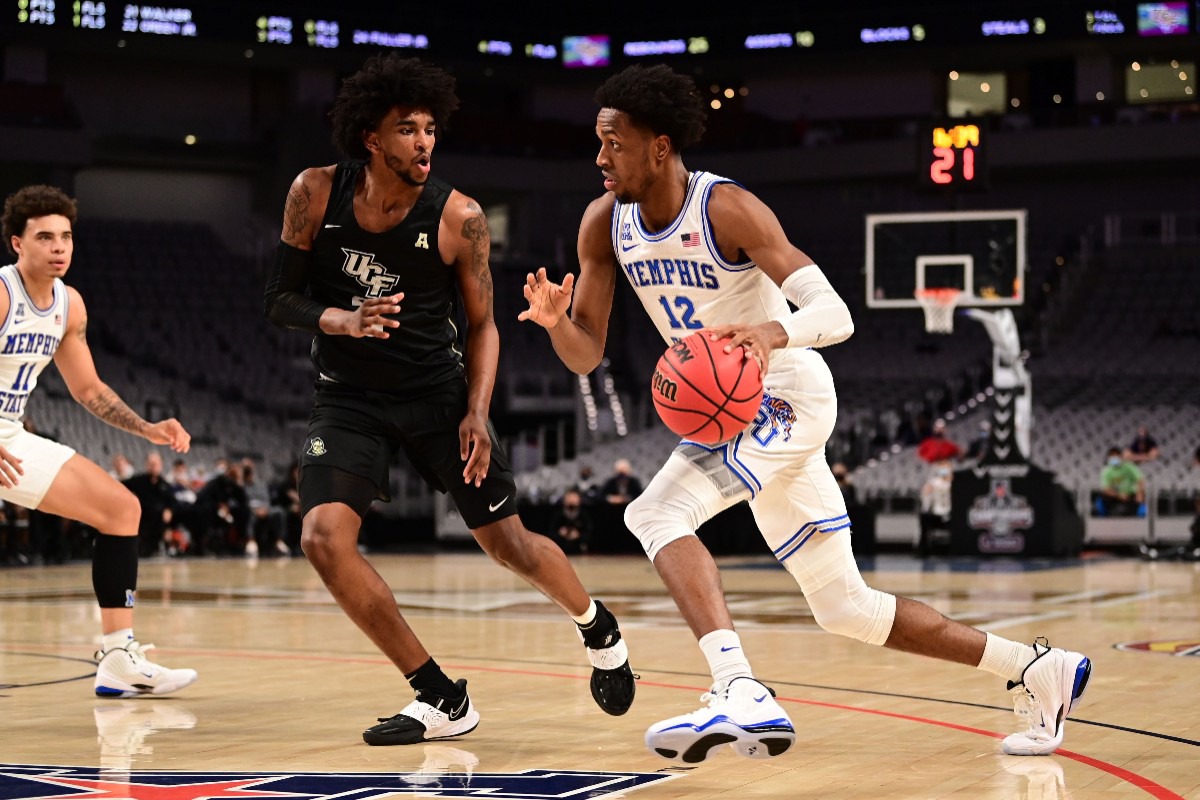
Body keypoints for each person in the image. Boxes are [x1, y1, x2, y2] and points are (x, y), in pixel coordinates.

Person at [518, 64, 1090, 763]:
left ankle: (739, 688)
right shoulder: (603, 224)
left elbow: (835, 313)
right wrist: (555, 323)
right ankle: (1036, 667)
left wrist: (771, 332)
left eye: (614, 142)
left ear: (659, 147)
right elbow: (585, 356)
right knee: (844, 608)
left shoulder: (726, 209)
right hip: (733, 413)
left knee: (654, 513)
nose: (600, 157)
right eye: (599, 142)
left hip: (785, 393)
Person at [263, 54, 633, 746]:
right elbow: (278, 298)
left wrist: (477, 411)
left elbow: (486, 324)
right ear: (371, 137)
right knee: (320, 538)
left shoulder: (458, 217)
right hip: (348, 397)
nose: (425, 142)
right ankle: (439, 697)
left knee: (510, 545)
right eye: (407, 129)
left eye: (431, 128)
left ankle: (598, 627)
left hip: (437, 395)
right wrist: (342, 320)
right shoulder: (314, 194)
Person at [1, 184, 196, 696]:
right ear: (17, 244)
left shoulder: (70, 306)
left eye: (66, 236)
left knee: (120, 509)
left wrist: (149, 429)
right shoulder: (1, 295)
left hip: (10, 438)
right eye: (45, 237)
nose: (59, 246)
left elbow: (88, 390)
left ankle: (117, 658)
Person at [1097, 446, 1145, 517]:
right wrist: (1119, 495)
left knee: (1140, 507)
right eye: (1112, 456)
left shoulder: (1129, 467)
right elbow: (1106, 489)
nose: (1114, 458)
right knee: (1101, 501)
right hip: (1115, 497)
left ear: (1120, 456)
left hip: (1130, 496)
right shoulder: (1106, 471)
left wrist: (1140, 493)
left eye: (1116, 455)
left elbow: (1140, 480)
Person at [546, 487, 594, 555]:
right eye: (569, 498)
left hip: (579, 550)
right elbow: (550, 533)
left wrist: (578, 536)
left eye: (574, 498)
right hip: (560, 551)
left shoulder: (583, 515)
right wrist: (560, 534)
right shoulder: (558, 515)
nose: (572, 500)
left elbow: (589, 533)